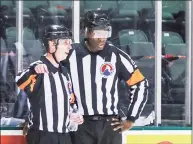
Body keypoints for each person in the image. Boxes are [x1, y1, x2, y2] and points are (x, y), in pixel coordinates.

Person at [34, 10, 149, 144]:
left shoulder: (117, 55)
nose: (102, 38)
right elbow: (44, 78)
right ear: (87, 32)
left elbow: (140, 84)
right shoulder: (70, 53)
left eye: (106, 32)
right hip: (80, 124)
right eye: (98, 33)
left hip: (110, 125)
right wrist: (34, 117)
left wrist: (131, 118)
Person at [15, 25, 84, 144]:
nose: (69, 46)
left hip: (64, 135)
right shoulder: (38, 68)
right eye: (65, 42)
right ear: (52, 45)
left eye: (70, 42)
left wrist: (73, 115)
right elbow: (20, 81)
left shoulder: (65, 73)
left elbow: (70, 101)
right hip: (42, 136)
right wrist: (34, 69)